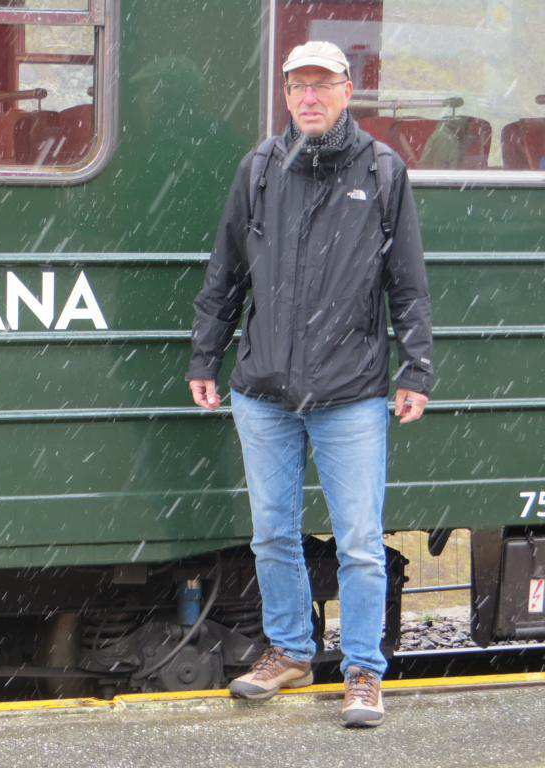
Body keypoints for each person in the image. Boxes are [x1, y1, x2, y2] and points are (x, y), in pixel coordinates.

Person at [186, 40, 433, 728]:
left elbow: (408, 287)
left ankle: (361, 671)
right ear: (287, 96)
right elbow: (225, 276)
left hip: (350, 394)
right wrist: (205, 358)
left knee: (357, 541)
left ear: (348, 91)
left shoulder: (382, 173)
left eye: (322, 86)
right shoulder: (260, 168)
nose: (309, 98)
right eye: (298, 87)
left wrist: (416, 369)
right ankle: (290, 650)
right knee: (272, 534)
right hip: (262, 390)